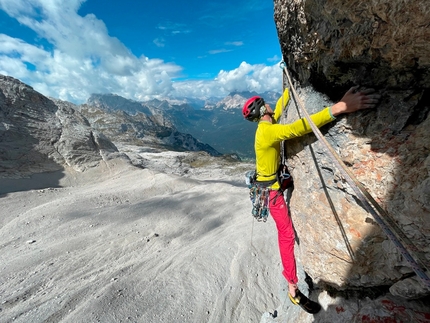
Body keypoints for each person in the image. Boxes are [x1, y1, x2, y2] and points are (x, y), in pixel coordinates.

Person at [242, 86, 380, 313]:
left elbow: (277, 106)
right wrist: (339, 108)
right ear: (260, 110)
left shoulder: (267, 123)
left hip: (273, 182)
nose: (270, 104)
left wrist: (288, 88)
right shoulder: (267, 131)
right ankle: (292, 288)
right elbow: (300, 128)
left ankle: (292, 286)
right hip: (272, 194)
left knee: (286, 234)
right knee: (286, 236)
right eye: (264, 103)